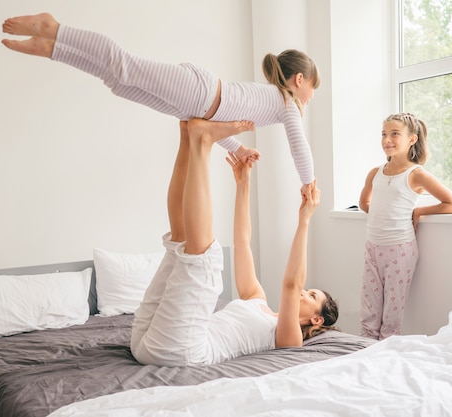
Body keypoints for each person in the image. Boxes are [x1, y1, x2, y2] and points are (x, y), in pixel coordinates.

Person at [1, 13, 319, 195]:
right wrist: (309, 183)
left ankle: (55, 50)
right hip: (200, 91)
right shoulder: (286, 103)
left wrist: (237, 149)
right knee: (124, 66)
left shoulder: (270, 104)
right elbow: (299, 146)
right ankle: (54, 28)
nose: (312, 97)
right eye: (314, 88)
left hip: (195, 106)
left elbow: (214, 123)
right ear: (299, 80)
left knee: (118, 83)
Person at [129, 118, 338, 366]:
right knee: (180, 242)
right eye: (309, 290)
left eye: (312, 295)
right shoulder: (256, 298)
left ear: (317, 320)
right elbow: (242, 242)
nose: (305, 291)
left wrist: (304, 219)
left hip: (181, 351)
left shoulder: (288, 337)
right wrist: (243, 183)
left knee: (206, 257)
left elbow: (291, 284)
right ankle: (188, 136)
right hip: (148, 339)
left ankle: (204, 141)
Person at [358, 112, 452, 340]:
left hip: (399, 249)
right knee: (369, 313)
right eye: (384, 134)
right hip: (372, 248)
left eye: (395, 134)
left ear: (412, 139)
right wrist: (379, 212)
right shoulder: (375, 173)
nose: (387, 140)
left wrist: (418, 211)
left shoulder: (416, 174)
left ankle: (387, 358)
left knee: (391, 318)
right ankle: (364, 355)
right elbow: (364, 203)